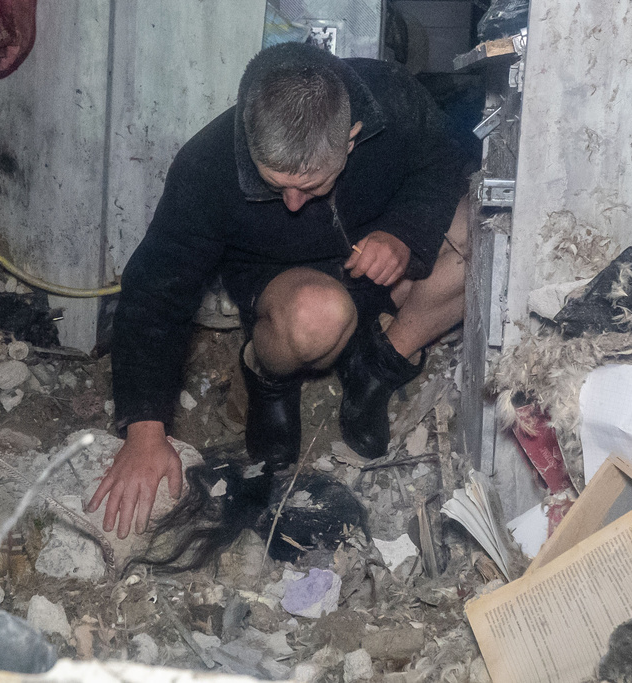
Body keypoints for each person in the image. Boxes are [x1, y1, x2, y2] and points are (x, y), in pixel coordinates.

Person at [87, 42, 470, 540]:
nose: (292, 203)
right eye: (275, 184)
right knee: (318, 315)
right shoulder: (207, 165)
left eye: (310, 185)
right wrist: (145, 432)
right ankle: (267, 376)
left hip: (375, 250)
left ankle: (377, 366)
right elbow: (157, 292)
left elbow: (440, 162)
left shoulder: (393, 100)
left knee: (480, 245)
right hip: (283, 281)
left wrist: (402, 233)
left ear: (351, 139)